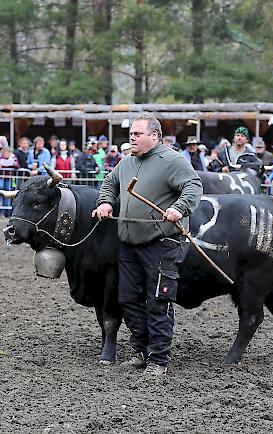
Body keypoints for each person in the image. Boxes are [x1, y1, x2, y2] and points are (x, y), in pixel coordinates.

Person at [93, 113, 202, 377]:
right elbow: (110, 182)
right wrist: (105, 202)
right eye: (131, 134)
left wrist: (179, 207)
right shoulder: (127, 162)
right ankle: (140, 351)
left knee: (157, 300)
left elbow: (194, 185)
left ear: (154, 135)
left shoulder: (172, 160)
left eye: (137, 134)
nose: (132, 138)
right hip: (129, 244)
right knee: (128, 299)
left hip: (161, 243)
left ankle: (159, 359)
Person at [0, 146, 20, 216]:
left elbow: (18, 166)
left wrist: (15, 165)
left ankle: (6, 212)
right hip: (0, 177)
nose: (6, 154)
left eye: (8, 153)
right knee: (0, 192)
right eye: (5, 153)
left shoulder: (13, 157)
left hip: (9, 178)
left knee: (8, 194)